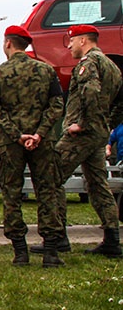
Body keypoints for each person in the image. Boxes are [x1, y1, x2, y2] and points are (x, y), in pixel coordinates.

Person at [0, 25, 66, 267]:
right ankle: (51, 251)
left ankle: (20, 252)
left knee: (11, 194)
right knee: (47, 192)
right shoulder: (46, 70)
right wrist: (39, 134)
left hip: (11, 144)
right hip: (43, 142)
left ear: (8, 43)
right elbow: (57, 105)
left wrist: (17, 134)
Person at [52, 25, 123, 258]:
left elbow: (90, 92)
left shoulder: (87, 64)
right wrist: (107, 123)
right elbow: (121, 102)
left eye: (71, 41)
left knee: (51, 177)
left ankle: (57, 237)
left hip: (81, 135)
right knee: (97, 185)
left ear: (83, 40)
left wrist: (81, 123)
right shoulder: (112, 66)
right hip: (98, 133)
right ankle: (112, 240)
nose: (69, 46)